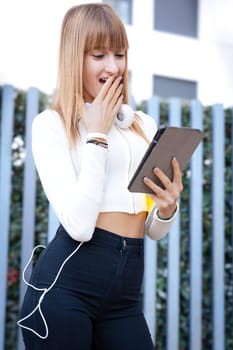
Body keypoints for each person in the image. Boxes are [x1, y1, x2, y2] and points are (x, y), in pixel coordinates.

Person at [18, 3, 183, 350]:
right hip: (64, 292)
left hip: (123, 299)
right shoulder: (51, 125)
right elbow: (78, 226)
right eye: (98, 55)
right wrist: (97, 136)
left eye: (119, 54)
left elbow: (150, 229)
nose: (113, 67)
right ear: (74, 59)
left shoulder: (141, 124)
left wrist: (167, 209)